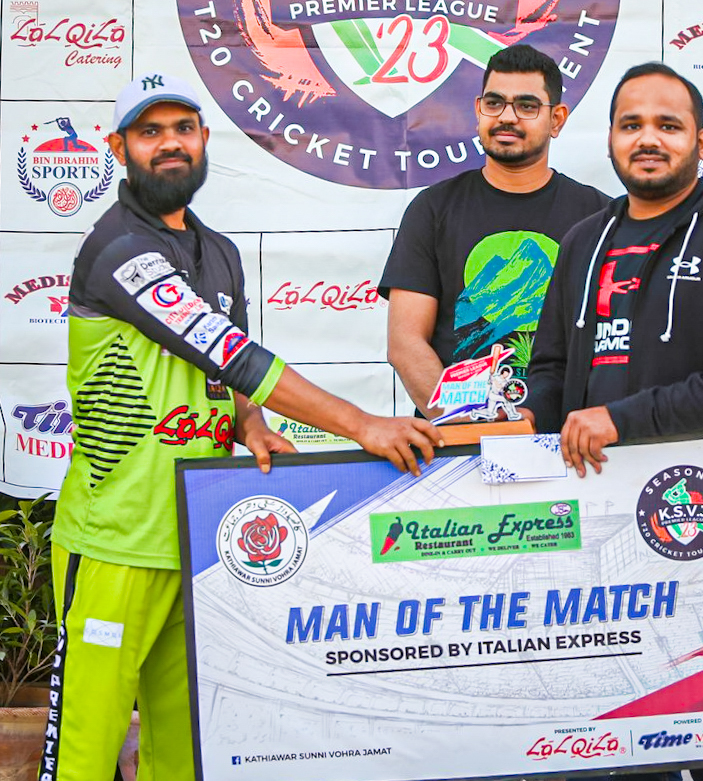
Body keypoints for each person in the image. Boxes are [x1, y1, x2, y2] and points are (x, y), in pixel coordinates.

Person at [42, 71, 441, 781]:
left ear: (203, 138)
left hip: (196, 532)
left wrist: (250, 422)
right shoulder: (118, 249)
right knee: (83, 757)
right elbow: (229, 352)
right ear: (118, 148)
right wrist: (361, 424)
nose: (170, 144)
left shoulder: (220, 251)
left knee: (182, 751)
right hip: (115, 541)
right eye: (149, 131)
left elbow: (226, 376)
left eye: (182, 129)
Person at [524, 61, 703, 781]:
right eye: (631, 124)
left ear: (700, 142)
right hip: (594, 529)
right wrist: (519, 422)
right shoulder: (583, 241)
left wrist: (620, 419)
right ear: (610, 138)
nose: (648, 138)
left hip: (702, 529)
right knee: (608, 741)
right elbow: (553, 369)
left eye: (667, 125)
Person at [379, 43, 609, 417]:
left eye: (527, 106)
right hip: (458, 437)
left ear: (557, 119)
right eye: (494, 103)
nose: (507, 117)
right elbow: (406, 344)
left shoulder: (599, 216)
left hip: (567, 440)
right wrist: (469, 423)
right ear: (478, 110)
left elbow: (614, 347)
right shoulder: (432, 209)